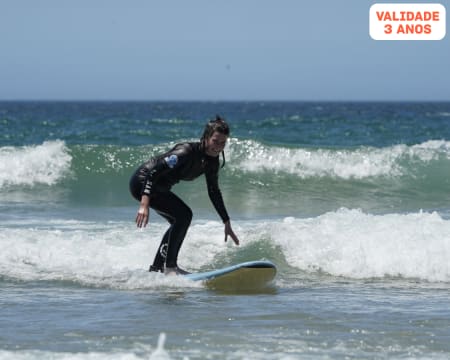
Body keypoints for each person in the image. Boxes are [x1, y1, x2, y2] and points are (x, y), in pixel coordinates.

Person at [129, 116, 240, 275]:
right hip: (142, 182)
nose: (218, 147)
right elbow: (153, 173)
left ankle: (157, 268)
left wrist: (226, 221)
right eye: (216, 141)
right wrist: (144, 205)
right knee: (184, 215)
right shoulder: (185, 152)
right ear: (206, 137)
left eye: (223, 143)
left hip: (160, 188)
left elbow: (214, 191)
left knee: (178, 220)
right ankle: (170, 267)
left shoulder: (212, 162)